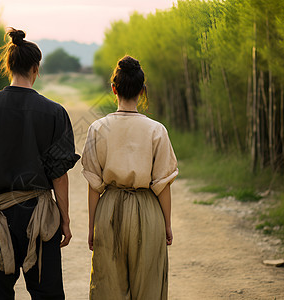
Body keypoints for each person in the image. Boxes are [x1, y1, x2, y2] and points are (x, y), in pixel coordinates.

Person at [0, 28, 80, 300]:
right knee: (47, 293)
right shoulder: (54, 112)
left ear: (8, 66)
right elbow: (59, 176)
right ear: (35, 69)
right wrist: (64, 220)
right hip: (40, 217)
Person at [81, 55, 178, 300]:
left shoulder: (98, 128)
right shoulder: (157, 130)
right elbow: (163, 185)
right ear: (142, 91)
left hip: (109, 210)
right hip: (148, 210)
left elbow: (94, 186)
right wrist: (166, 224)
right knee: (149, 286)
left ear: (113, 89)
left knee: (107, 287)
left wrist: (93, 226)